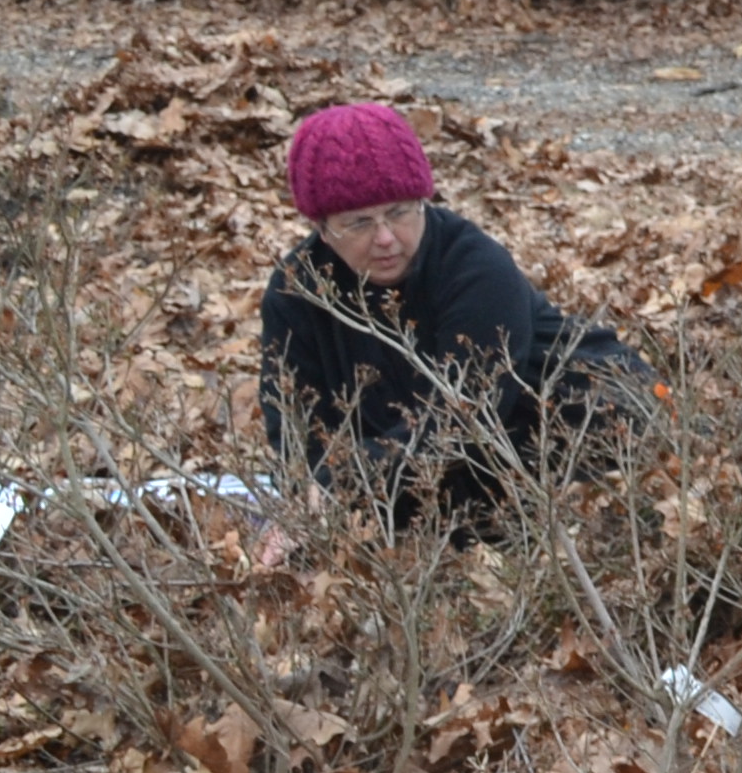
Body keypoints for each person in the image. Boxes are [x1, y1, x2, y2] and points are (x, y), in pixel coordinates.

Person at [258, 101, 647, 502]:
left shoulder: (476, 268)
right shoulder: (295, 293)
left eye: (399, 212)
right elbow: (294, 432)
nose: (386, 237)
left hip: (593, 444)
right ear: (322, 230)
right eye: (359, 223)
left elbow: (465, 421)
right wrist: (312, 497)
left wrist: (341, 484)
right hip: (423, 484)